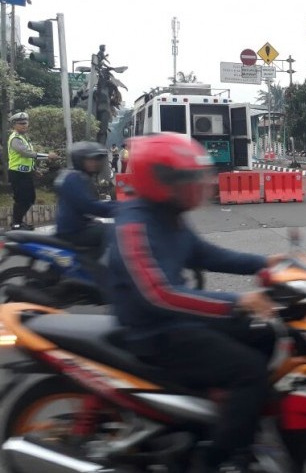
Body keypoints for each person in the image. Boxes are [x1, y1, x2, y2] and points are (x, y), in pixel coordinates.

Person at [107, 133, 289, 471]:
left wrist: (263, 263)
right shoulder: (136, 224)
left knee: (266, 333)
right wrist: (238, 302)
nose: (199, 184)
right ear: (162, 180)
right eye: (189, 177)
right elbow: (159, 295)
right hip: (155, 332)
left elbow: (205, 253)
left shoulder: (168, 213)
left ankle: (231, 413)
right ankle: (216, 458)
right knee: (249, 371)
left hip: (175, 319)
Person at [54, 142, 118, 259]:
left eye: (97, 160)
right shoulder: (74, 179)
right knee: (113, 231)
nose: (95, 163)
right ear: (79, 160)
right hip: (73, 231)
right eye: (91, 160)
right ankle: (103, 268)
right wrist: (121, 208)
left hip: (76, 225)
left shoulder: (76, 176)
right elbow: (89, 205)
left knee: (103, 226)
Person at [6, 111, 57, 230]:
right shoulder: (15, 139)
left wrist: (34, 169)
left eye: (26, 123)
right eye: (21, 123)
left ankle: (18, 222)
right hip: (17, 174)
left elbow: (27, 159)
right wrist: (47, 156)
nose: (24, 125)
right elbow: (26, 153)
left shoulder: (24, 138)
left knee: (30, 199)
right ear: (14, 125)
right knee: (22, 199)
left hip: (25, 174)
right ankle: (16, 224)